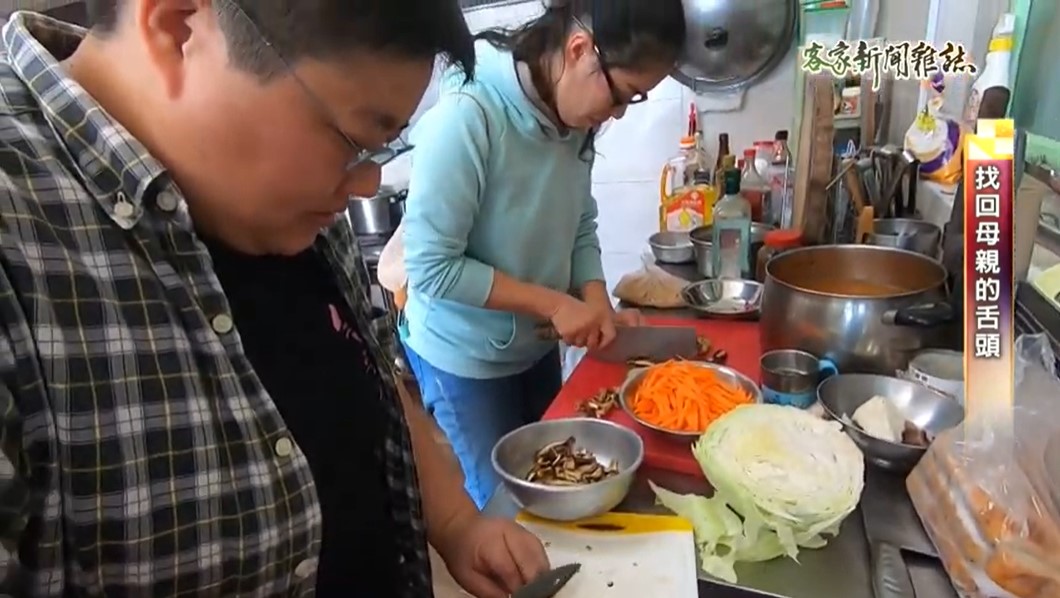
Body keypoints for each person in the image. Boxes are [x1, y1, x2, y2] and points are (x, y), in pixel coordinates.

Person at [0, 2, 549, 597]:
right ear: (178, 27)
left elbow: (369, 372)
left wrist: (457, 524)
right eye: (351, 140)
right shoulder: (21, 235)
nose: (364, 182)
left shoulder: (292, 204)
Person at [400, 0, 687, 508]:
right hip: (464, 359)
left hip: (532, 347)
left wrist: (595, 299)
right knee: (506, 510)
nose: (618, 112)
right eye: (623, 93)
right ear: (580, 50)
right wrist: (555, 304)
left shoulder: (575, 122)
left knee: (556, 485)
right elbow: (431, 268)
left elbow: (579, 221)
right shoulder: (469, 117)